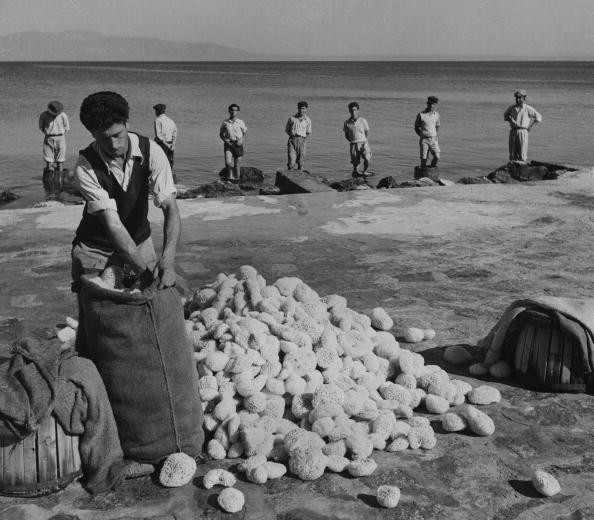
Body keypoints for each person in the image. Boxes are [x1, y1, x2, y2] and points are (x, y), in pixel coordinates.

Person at [71, 91, 180, 293]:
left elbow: (170, 207)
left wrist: (168, 259)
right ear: (92, 134)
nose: (113, 145)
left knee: (149, 308)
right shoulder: (85, 167)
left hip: (140, 241)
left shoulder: (152, 151)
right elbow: (113, 225)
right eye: (104, 139)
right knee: (98, 312)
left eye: (117, 135)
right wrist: (145, 275)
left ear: (127, 123)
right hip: (96, 250)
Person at [503, 89, 542, 163]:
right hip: (513, 131)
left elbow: (539, 117)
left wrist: (531, 126)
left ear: (524, 98)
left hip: (523, 131)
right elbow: (505, 116)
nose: (517, 99)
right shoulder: (511, 108)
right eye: (516, 98)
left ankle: (522, 168)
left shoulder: (528, 108)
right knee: (512, 152)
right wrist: (510, 121)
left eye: (519, 97)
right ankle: (512, 169)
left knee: (522, 152)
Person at [39, 100, 70, 171]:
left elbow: (66, 127)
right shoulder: (44, 115)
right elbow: (41, 127)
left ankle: (60, 172)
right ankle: (50, 170)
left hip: (60, 137)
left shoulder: (63, 115)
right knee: (48, 155)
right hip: (49, 137)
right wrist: (47, 133)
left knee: (61, 156)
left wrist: (59, 133)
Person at [219, 103, 247, 182]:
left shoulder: (240, 122)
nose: (233, 111)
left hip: (238, 144)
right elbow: (221, 134)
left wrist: (241, 140)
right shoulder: (225, 122)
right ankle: (230, 177)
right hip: (228, 144)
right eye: (231, 110)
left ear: (237, 111)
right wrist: (225, 140)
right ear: (229, 111)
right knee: (228, 162)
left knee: (237, 165)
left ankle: (237, 181)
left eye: (235, 110)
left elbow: (244, 132)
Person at [343, 102, 372, 177]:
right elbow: (346, 135)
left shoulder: (363, 120)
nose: (353, 112)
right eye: (351, 110)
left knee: (367, 158)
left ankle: (365, 171)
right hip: (353, 144)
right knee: (355, 163)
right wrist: (353, 142)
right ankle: (356, 174)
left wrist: (364, 141)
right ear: (349, 111)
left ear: (358, 110)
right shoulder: (347, 122)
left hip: (364, 143)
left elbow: (366, 132)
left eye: (355, 110)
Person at [153, 103, 177, 180]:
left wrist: (166, 144)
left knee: (160, 164)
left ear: (157, 111)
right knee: (169, 163)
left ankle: (161, 181)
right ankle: (170, 181)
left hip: (162, 144)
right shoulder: (170, 120)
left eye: (155, 111)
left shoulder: (157, 120)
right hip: (170, 144)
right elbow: (175, 132)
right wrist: (172, 145)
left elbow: (158, 136)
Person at [414, 96, 441, 169]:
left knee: (437, 156)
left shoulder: (437, 115)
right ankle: (421, 177)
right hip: (424, 140)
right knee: (424, 158)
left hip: (434, 139)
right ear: (427, 103)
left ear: (435, 105)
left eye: (433, 104)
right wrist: (421, 135)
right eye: (430, 103)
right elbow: (416, 127)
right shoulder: (421, 115)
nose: (431, 105)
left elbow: (437, 126)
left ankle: (431, 173)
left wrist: (435, 136)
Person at [285, 101, 311, 170]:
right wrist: (292, 135)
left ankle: (300, 177)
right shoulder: (292, 118)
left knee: (301, 162)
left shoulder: (308, 120)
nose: (302, 110)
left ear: (306, 109)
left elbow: (308, 132)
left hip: (302, 141)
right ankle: (289, 175)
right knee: (291, 162)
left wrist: (303, 139)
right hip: (292, 141)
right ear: (298, 109)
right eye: (300, 108)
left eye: (303, 108)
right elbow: (287, 130)